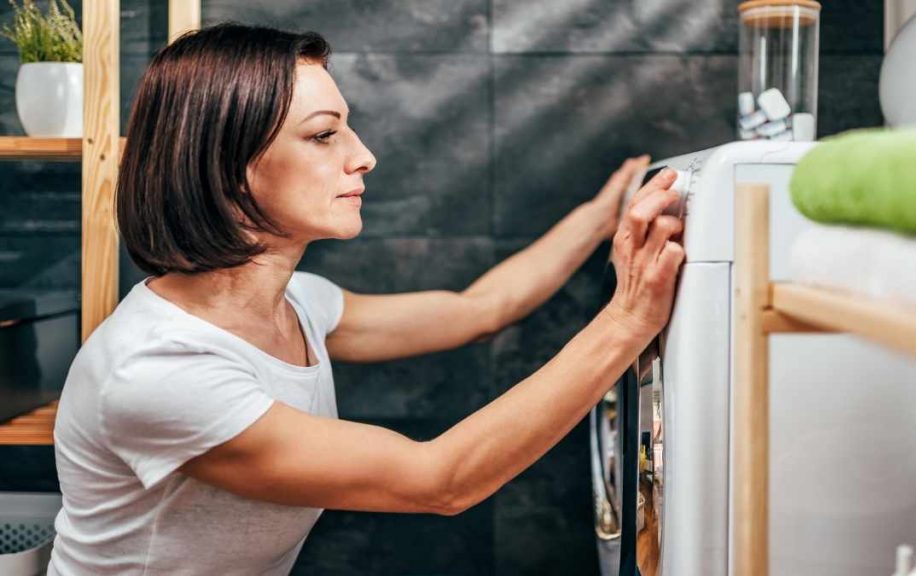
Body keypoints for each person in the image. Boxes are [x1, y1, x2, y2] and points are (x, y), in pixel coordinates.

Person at [48, 23, 684, 575]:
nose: (365, 156)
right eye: (325, 135)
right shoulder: (158, 371)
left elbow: (477, 310)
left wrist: (603, 217)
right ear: (228, 167)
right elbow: (441, 480)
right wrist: (628, 319)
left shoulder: (294, 301)